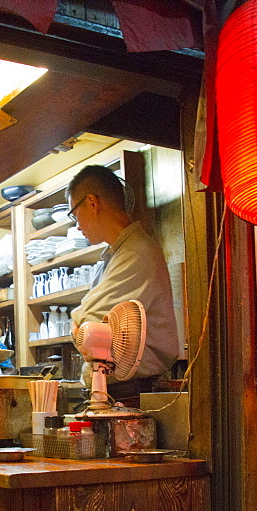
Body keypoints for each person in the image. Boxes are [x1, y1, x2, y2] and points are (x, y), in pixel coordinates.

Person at [66, 164, 178, 400]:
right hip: (118, 392)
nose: (77, 225)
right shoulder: (113, 257)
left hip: (134, 394)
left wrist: (82, 328)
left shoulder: (137, 253)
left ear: (92, 202)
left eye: (75, 214)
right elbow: (84, 331)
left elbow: (88, 328)